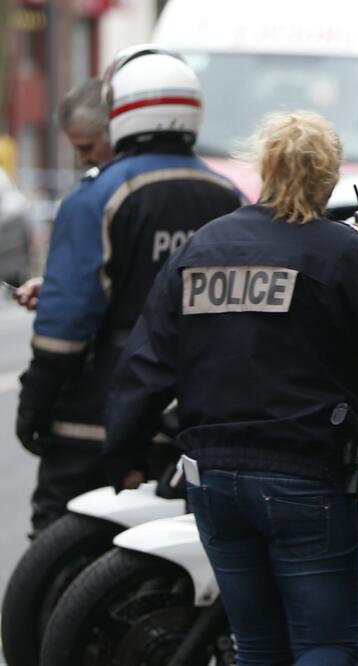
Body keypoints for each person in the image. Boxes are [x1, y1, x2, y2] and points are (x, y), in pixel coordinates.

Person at [103, 111, 358, 665]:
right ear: (330, 176)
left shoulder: (204, 245)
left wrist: (125, 453)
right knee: (325, 644)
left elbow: (147, 360)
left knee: (257, 647)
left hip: (214, 475)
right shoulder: (341, 250)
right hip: (305, 471)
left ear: (265, 168)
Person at [16, 46, 244, 534]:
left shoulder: (99, 195)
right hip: (196, 410)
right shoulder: (228, 196)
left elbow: (65, 327)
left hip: (97, 411)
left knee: (59, 542)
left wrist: (34, 401)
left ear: (119, 112)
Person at [13, 78, 116, 311]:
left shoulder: (95, 199)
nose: (83, 159)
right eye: (77, 149)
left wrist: (58, 300)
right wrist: (54, 290)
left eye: (87, 147)